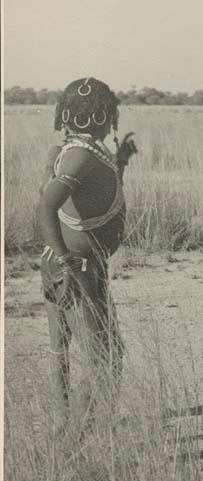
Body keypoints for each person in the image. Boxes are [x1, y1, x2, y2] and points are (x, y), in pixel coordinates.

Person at [38, 77, 137, 439]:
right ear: (101, 114)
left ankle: (66, 430)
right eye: (110, 111)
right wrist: (67, 266)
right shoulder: (80, 155)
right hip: (74, 269)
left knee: (65, 355)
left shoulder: (82, 150)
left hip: (74, 266)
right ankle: (71, 448)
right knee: (105, 361)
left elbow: (92, 197)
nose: (113, 118)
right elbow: (47, 205)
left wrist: (121, 161)